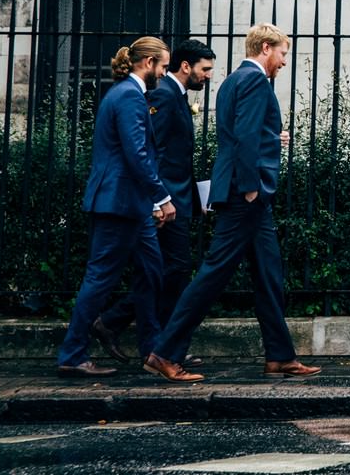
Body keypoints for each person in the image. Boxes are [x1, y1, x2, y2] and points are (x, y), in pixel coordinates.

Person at [144, 24, 320, 382]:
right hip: (246, 194)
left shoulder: (232, 81)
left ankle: (279, 356)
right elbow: (244, 137)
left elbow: (247, 131)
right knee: (213, 274)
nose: (284, 61)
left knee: (268, 274)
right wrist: (252, 186)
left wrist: (273, 138)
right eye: (283, 53)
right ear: (266, 48)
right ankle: (164, 353)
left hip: (244, 192)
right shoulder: (255, 81)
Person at [91, 39, 216, 366]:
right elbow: (151, 152)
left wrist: (195, 197)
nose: (208, 76)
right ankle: (133, 331)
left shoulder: (176, 95)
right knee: (173, 271)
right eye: (205, 69)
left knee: (163, 271)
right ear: (186, 66)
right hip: (167, 202)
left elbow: (177, 157)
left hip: (179, 199)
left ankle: (153, 343)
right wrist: (157, 201)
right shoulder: (163, 95)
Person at [56, 37, 176, 377]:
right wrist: (162, 198)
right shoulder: (128, 96)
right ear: (148, 62)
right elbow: (136, 154)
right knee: (100, 278)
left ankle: (153, 350)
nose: (164, 74)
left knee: (151, 272)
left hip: (131, 204)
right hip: (118, 203)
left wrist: (149, 201)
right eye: (164, 67)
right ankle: (72, 354)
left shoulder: (128, 95)